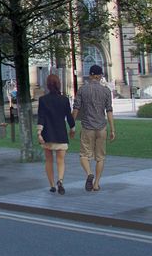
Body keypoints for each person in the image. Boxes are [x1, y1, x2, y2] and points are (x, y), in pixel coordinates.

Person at [72, 64, 115, 192]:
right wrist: (112, 129)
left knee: (84, 155)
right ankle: (96, 183)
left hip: (87, 126)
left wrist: (71, 124)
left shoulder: (82, 90)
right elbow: (109, 111)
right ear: (100, 75)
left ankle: (89, 173)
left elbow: (76, 109)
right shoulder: (106, 91)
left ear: (90, 75)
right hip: (101, 127)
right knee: (100, 157)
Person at [38, 73, 76, 194]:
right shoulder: (64, 99)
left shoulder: (43, 100)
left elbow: (41, 117)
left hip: (47, 134)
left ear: (48, 85)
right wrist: (72, 128)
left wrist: (39, 132)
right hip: (61, 134)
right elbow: (69, 117)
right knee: (61, 161)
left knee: (49, 160)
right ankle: (60, 180)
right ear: (59, 85)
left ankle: (52, 185)